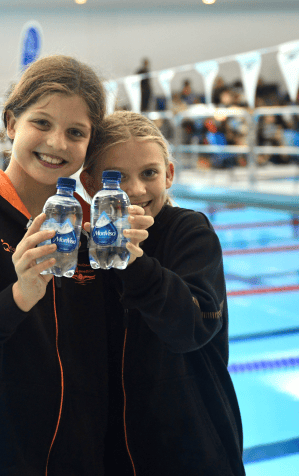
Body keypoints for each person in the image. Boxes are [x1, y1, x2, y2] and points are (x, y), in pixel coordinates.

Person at [0, 54, 151, 476]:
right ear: (11, 124)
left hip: (83, 458)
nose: (57, 143)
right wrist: (18, 296)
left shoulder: (93, 229)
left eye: (75, 132)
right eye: (42, 123)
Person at [80, 110, 246, 475]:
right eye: (117, 178)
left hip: (195, 449)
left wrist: (134, 263)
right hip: (115, 451)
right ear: (91, 184)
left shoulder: (190, 232)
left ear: (169, 174)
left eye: (149, 173)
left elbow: (191, 328)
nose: (136, 190)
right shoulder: (87, 249)